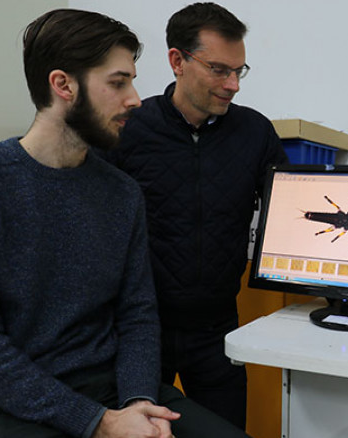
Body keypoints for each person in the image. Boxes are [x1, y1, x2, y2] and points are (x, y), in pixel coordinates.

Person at [0, 9, 248, 438]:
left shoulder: (122, 193)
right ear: (63, 85)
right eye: (118, 83)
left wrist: (138, 404)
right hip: (11, 404)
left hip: (116, 391)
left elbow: (137, 313)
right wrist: (98, 423)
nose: (135, 98)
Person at [106, 2, 288, 430]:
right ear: (177, 61)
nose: (233, 85)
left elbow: (291, 213)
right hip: (140, 334)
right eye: (219, 70)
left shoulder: (256, 132)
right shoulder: (127, 129)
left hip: (217, 329)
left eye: (239, 71)